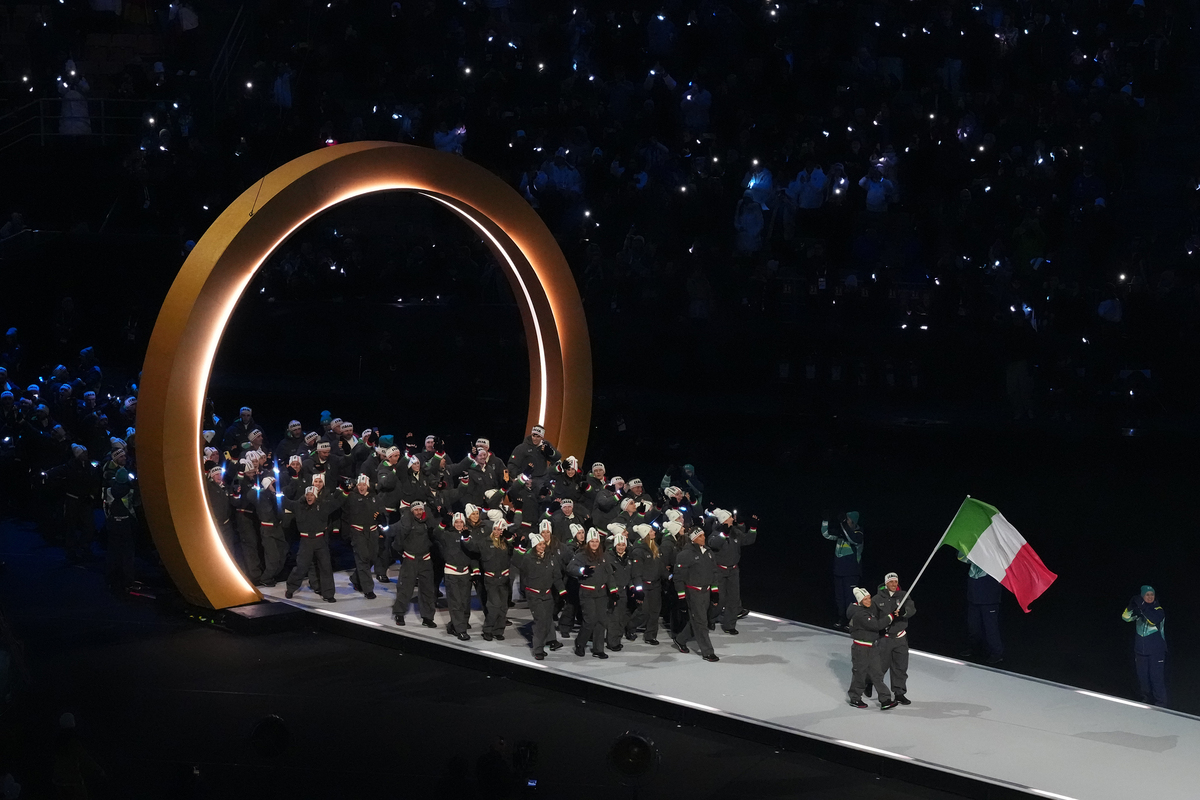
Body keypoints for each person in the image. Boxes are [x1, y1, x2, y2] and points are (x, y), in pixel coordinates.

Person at [283, 478, 348, 603]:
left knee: (326, 567)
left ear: (316, 496)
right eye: (307, 495)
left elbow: (338, 502)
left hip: (320, 541)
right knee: (301, 567)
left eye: (311, 495)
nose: (309, 497)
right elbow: (284, 501)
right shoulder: (298, 506)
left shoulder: (323, 505)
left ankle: (328, 594)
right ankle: (290, 589)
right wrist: (276, 491)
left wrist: (345, 491)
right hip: (306, 541)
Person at [510, 522, 566, 660]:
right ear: (535, 545)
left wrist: (562, 591)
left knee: (547, 619)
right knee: (540, 621)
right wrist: (519, 549)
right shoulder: (528, 558)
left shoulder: (550, 558)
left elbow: (556, 576)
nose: (543, 546)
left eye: (543, 544)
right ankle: (538, 649)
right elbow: (517, 562)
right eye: (540, 544)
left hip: (547, 594)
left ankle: (548, 641)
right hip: (534, 594)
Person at [846, 587, 900, 710]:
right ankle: (855, 698)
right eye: (865, 599)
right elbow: (876, 625)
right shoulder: (859, 613)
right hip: (861, 648)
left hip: (872, 646)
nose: (869, 601)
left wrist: (891, 612)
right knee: (860, 673)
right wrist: (891, 617)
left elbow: (877, 613)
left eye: (869, 598)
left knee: (877, 673)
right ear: (860, 601)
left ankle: (885, 699)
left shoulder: (866, 608)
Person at [671, 526, 719, 662]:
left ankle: (680, 639)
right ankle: (707, 651)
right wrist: (681, 597)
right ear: (693, 539)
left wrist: (715, 591)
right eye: (700, 536)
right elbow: (678, 577)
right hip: (693, 592)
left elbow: (714, 572)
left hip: (706, 591)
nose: (704, 538)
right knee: (701, 622)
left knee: (698, 620)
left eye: (704, 535)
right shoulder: (685, 555)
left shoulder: (709, 552)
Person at [464, 511, 513, 640]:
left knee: (503, 607)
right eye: (496, 529)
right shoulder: (485, 542)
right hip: (490, 579)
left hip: (504, 579)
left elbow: (518, 550)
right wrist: (465, 537)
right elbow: (471, 546)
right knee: (494, 606)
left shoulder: (506, 544)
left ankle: (498, 631)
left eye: (500, 529)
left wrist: (510, 538)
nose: (498, 531)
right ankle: (488, 630)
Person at [707, 509, 758, 634]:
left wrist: (753, 528)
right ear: (724, 520)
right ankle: (711, 619)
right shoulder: (716, 532)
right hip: (719, 571)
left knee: (733, 599)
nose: (733, 519)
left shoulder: (735, 532)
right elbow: (713, 544)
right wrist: (724, 534)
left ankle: (730, 625)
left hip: (733, 571)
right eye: (730, 517)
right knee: (720, 599)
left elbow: (747, 540)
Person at [568, 529, 615, 658]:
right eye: (592, 541)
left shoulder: (604, 556)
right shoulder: (581, 555)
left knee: (601, 620)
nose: (594, 544)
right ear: (588, 542)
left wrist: (613, 590)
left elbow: (609, 574)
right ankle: (580, 643)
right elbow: (570, 568)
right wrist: (582, 570)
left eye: (596, 541)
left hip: (601, 593)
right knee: (590, 621)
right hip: (587, 592)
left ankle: (598, 648)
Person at [391, 501, 437, 626]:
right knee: (405, 588)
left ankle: (427, 617)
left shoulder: (428, 521)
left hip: (425, 560)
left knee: (428, 590)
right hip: (410, 559)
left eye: (420, 510)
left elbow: (435, 535)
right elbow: (398, 538)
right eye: (416, 510)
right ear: (412, 511)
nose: (418, 512)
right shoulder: (406, 522)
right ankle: (399, 614)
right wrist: (401, 552)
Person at [872, 572, 915, 705]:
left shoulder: (903, 595)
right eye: (891, 582)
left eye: (895, 581)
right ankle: (868, 682)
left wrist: (903, 612)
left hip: (900, 637)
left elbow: (911, 609)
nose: (894, 584)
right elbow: (872, 617)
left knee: (900, 667)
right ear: (886, 583)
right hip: (885, 638)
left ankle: (899, 693)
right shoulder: (877, 599)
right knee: (880, 667)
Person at [1122, 586, 1166, 706]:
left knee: (1156, 678)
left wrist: (1141, 606)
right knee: (1143, 679)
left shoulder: (1158, 610)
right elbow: (1125, 618)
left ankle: (1161, 704)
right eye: (1147, 595)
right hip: (1140, 651)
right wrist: (1131, 606)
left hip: (1156, 651)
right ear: (1142, 596)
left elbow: (1153, 620)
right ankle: (1146, 701)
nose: (1150, 597)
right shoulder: (1140, 610)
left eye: (1152, 594)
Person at [433, 511, 474, 640]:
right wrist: (443, 522)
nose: (459, 524)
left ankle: (454, 624)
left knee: (464, 602)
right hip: (451, 573)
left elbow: (475, 550)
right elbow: (436, 533)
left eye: (461, 522)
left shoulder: (469, 535)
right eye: (456, 522)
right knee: (455, 602)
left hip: (465, 573)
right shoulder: (448, 535)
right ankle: (460, 629)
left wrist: (467, 539)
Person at [823, 512, 864, 629]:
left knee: (850, 598)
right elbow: (826, 534)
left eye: (848, 519)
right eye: (845, 519)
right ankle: (842, 618)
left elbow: (851, 537)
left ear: (854, 521)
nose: (846, 521)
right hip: (839, 571)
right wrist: (825, 521)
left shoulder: (858, 534)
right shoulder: (843, 532)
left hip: (851, 572)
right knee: (840, 597)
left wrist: (843, 524)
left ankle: (851, 621)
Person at [960, 554, 1003, 664]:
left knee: (990, 628)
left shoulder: (995, 555)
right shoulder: (976, 552)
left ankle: (996, 654)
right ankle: (974, 648)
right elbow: (962, 557)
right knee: (973, 626)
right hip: (973, 597)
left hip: (989, 599)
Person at [628, 522, 667, 645]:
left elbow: (660, 567)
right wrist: (638, 590)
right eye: (651, 531)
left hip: (655, 585)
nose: (654, 532)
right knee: (643, 611)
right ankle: (630, 626)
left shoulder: (655, 547)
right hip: (644, 585)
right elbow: (636, 572)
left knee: (655, 611)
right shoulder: (638, 551)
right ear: (645, 534)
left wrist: (669, 576)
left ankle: (651, 635)